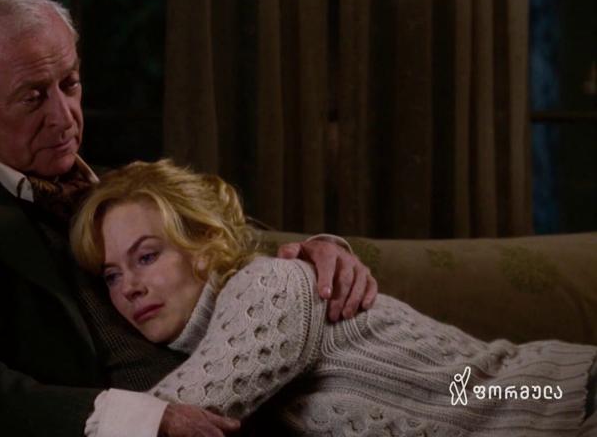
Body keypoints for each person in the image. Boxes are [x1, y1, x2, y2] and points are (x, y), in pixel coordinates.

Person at [0, 0, 378, 437]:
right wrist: (148, 421)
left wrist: (317, 252)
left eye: (70, 84)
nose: (64, 117)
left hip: (291, 397)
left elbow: (228, 245)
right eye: (33, 97)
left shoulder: (116, 187)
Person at [70, 160, 597, 436]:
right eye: (111, 275)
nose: (129, 286)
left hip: (564, 402)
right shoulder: (216, 331)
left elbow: (166, 418)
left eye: (146, 256)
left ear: (204, 247)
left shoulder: (266, 286)